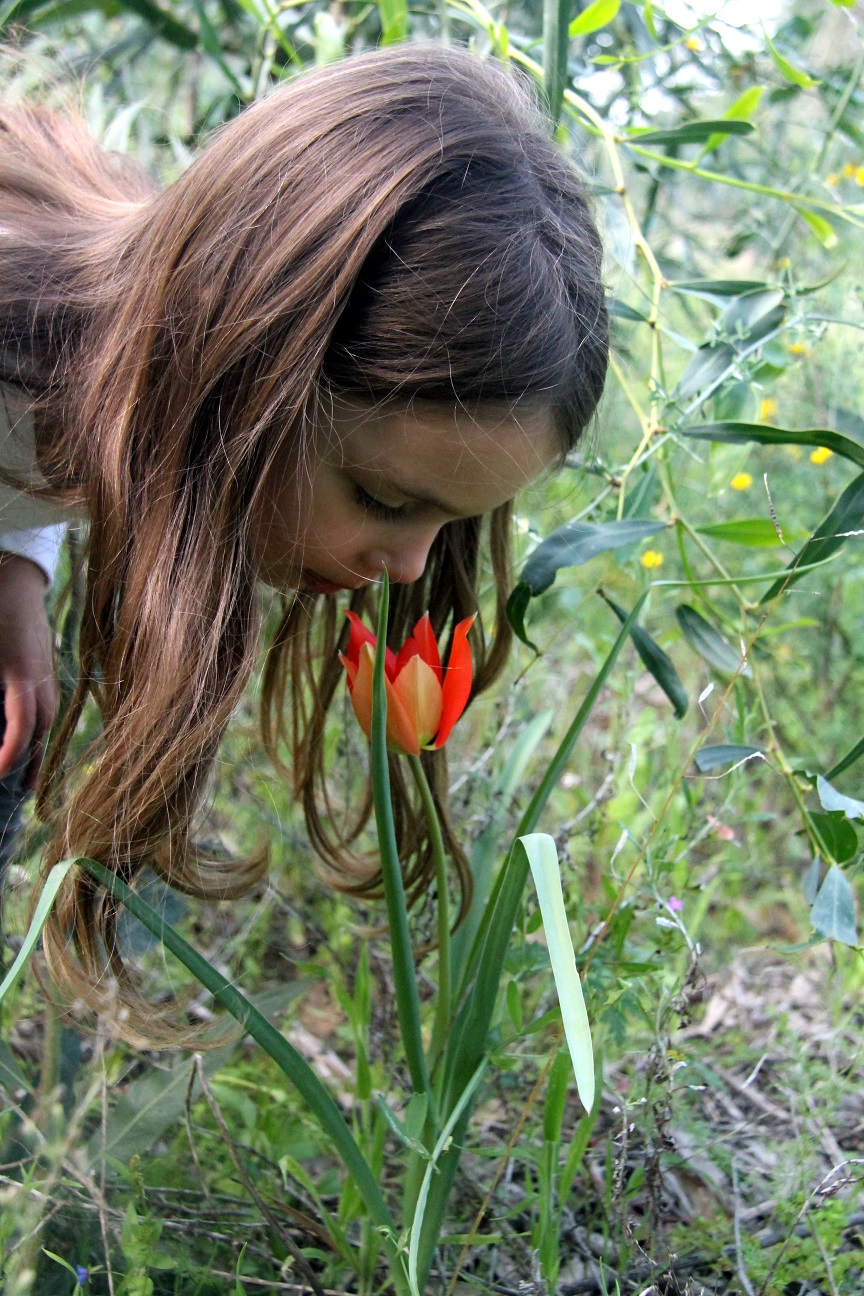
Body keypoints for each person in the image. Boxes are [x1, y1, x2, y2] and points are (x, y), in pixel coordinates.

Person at [0, 41, 608, 1041]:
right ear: (248, 366)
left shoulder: (122, 351)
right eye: (380, 495)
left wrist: (16, 570)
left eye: (451, 524)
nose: (409, 569)